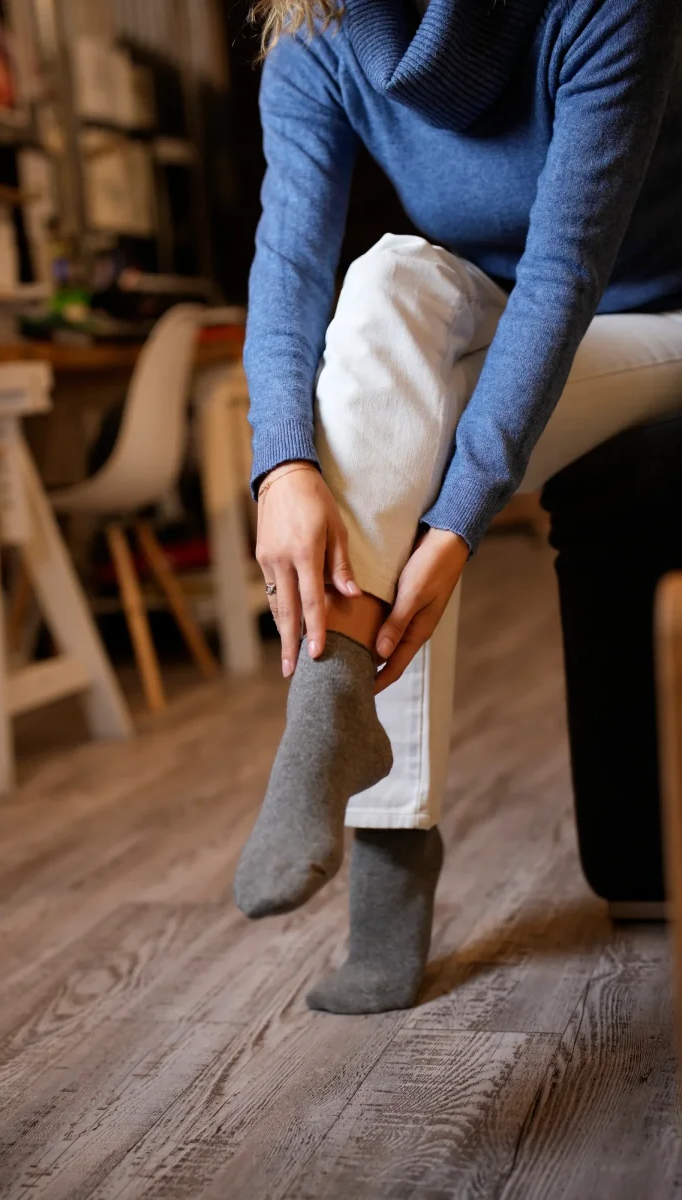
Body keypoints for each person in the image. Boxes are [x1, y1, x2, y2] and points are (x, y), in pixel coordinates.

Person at [233, 0, 682, 1014]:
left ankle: (384, 852)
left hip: (656, 320)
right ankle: (334, 714)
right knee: (387, 278)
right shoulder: (311, 34)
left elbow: (566, 269)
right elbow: (289, 260)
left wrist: (458, 521)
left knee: (410, 417)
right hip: (504, 320)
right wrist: (282, 467)